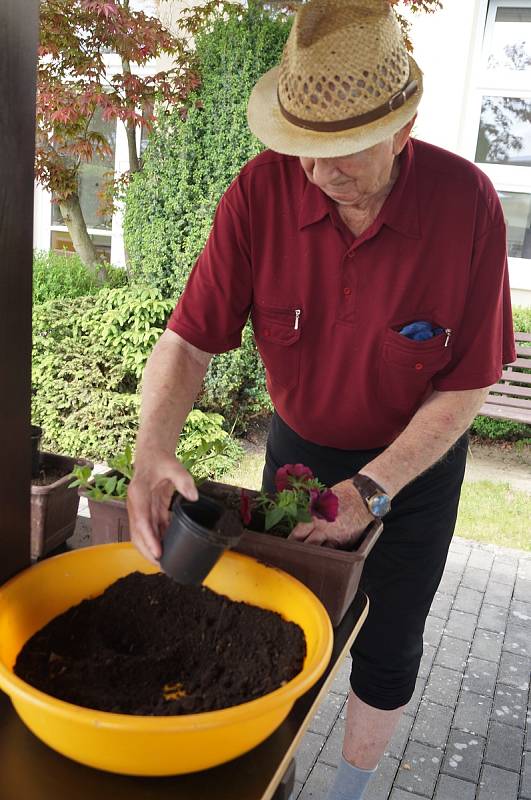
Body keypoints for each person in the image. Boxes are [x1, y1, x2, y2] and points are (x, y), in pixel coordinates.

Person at [127, 0, 516, 797]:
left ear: (402, 131)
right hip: (298, 457)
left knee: (388, 641)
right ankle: (278, 772)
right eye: (302, 150)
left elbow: (466, 382)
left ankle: (347, 791)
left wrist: (373, 488)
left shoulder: (466, 202)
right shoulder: (258, 194)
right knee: (275, 628)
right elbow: (188, 343)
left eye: (341, 151)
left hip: (408, 474)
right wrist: (151, 448)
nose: (317, 172)